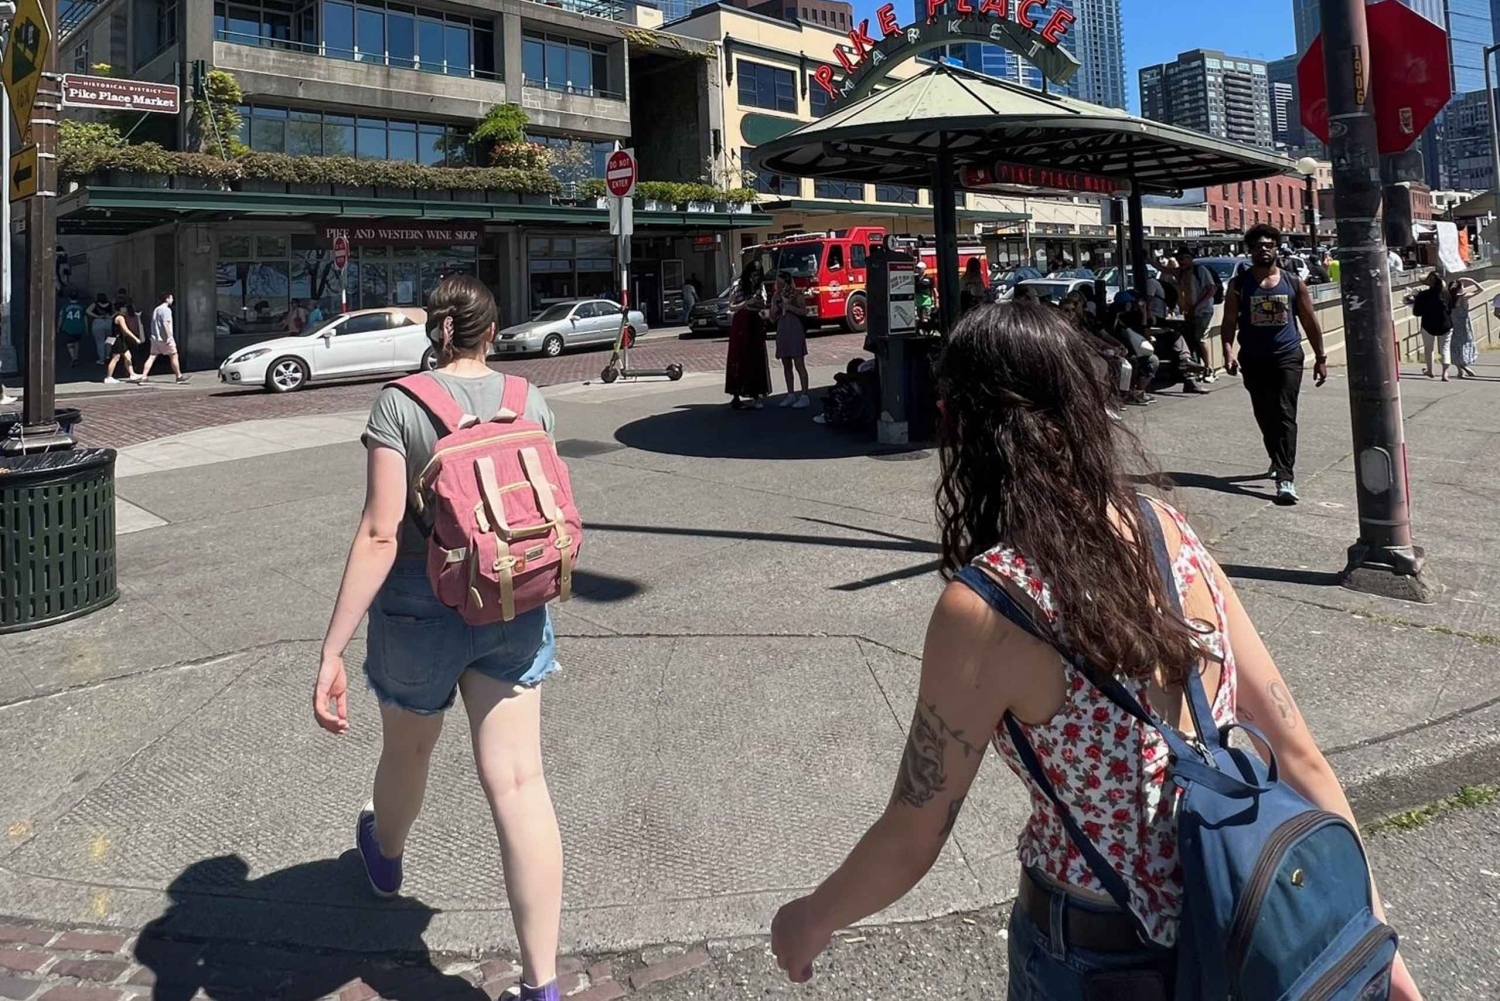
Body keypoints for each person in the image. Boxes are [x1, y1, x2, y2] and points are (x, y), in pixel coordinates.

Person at [767, 302, 1423, 1001]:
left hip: (1093, 958)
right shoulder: (1166, 529)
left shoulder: (990, 605)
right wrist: (1375, 940)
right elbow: (1299, 754)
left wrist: (809, 919)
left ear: (960, 426)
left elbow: (914, 833)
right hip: (1245, 924)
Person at [314, 274, 566, 1001]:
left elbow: (380, 531)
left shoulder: (401, 404)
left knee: (409, 751)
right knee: (519, 781)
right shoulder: (529, 398)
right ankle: (543, 984)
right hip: (512, 598)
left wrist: (332, 648)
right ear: (493, 332)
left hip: (418, 608)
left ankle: (386, 855)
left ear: (437, 328)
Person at [1221, 224, 1328, 506]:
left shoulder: (1293, 282)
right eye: (1258, 246)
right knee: (1264, 413)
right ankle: (1276, 456)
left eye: (1269, 245)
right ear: (1250, 251)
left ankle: (1285, 477)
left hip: (1287, 356)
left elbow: (1309, 321)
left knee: (1284, 412)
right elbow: (1229, 321)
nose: (1264, 250)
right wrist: (1228, 351)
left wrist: (1321, 358)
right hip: (1253, 357)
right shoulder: (1239, 284)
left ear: (1277, 249)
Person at [724, 263, 771, 410]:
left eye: (758, 275)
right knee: (739, 356)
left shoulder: (760, 286)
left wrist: (758, 303)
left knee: (756, 357)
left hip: (755, 322)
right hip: (741, 323)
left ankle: (756, 394)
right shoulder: (738, 285)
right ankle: (736, 395)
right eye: (753, 274)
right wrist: (746, 303)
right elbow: (731, 306)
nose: (755, 278)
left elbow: (763, 304)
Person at [1173, 246, 1215, 394]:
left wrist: (1196, 307)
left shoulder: (1200, 270)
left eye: (1183, 258)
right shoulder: (1181, 272)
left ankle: (1208, 368)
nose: (1181, 262)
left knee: (1199, 338)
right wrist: (1148, 259)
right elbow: (1164, 269)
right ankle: (1196, 372)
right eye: (1178, 259)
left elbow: (1211, 289)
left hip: (1203, 311)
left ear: (1190, 259)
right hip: (1189, 313)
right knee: (1191, 341)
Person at [769, 270, 811, 409]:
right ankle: (790, 393)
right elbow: (772, 318)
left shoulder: (797, 294)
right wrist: (774, 310)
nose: (778, 285)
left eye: (781, 282)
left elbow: (803, 312)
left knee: (799, 363)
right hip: (782, 330)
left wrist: (789, 307)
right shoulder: (776, 296)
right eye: (777, 283)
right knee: (786, 364)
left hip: (795, 329)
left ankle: (804, 395)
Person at [1405, 273, 1453, 381]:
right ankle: (1445, 373)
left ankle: (1430, 370)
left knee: (1429, 348)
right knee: (1445, 348)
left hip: (1428, 324)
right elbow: (1450, 309)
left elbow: (1417, 312)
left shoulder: (1423, 295)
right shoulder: (1446, 293)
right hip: (1445, 323)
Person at [140, 292, 190, 384]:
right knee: (174, 355)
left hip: (155, 338)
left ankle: (144, 377)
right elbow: (165, 323)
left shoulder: (156, 309)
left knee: (152, 356)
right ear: (167, 299)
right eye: (171, 298)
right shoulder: (166, 310)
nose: (172, 300)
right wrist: (169, 337)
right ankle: (179, 376)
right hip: (164, 338)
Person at [103, 295, 144, 384]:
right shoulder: (120, 317)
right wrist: (135, 338)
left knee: (128, 356)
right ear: (121, 308)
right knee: (115, 358)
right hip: (117, 340)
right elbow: (125, 330)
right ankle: (108, 377)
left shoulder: (116, 316)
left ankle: (132, 374)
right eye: (124, 308)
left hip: (120, 339)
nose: (126, 309)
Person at [1449, 276, 1482, 379]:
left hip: (1452, 324)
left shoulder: (1448, 298)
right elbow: (1480, 289)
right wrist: (1472, 281)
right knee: (1464, 344)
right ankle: (1464, 366)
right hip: (1463, 323)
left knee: (1455, 346)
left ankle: (1460, 370)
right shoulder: (1463, 297)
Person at [87, 293, 113, 365]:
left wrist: (96, 316)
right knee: (109, 340)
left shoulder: (95, 304)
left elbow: (88, 311)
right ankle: (108, 356)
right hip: (109, 322)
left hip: (98, 322)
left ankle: (102, 359)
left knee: (100, 342)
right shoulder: (110, 304)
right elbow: (116, 311)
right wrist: (111, 317)